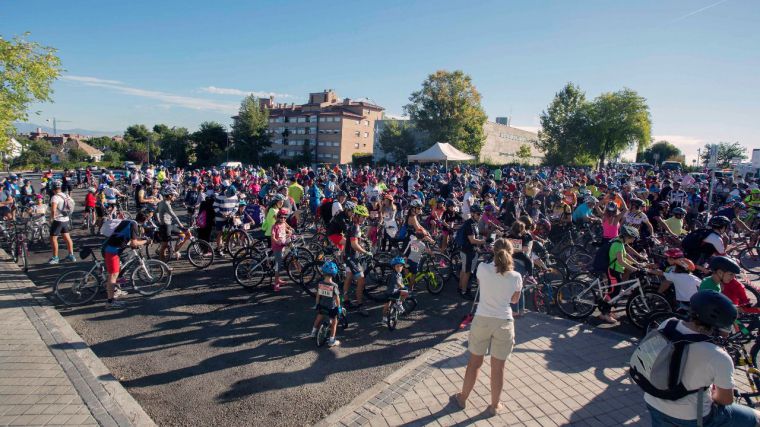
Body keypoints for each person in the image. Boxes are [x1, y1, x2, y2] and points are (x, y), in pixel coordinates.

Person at [644, 291, 760, 426]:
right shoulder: (718, 356)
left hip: (653, 401)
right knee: (756, 419)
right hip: (693, 416)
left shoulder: (668, 324)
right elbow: (725, 400)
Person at [454, 238, 522, 417]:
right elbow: (514, 300)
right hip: (504, 322)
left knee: (474, 363)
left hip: (482, 319)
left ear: (493, 251)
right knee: (498, 368)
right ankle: (494, 405)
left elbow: (481, 283)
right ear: (511, 253)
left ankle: (462, 398)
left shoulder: (482, 269)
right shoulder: (516, 276)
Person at [101, 210, 150, 309]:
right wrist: (146, 241)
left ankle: (116, 290)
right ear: (145, 220)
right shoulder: (134, 226)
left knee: (119, 270)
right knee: (113, 276)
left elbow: (127, 236)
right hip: (112, 251)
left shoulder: (129, 221)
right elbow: (134, 243)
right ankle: (110, 302)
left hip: (110, 247)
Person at [600, 225, 648, 324]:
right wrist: (634, 269)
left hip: (616, 270)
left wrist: (636, 263)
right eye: (633, 238)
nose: (633, 241)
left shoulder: (620, 242)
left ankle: (604, 311)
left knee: (612, 291)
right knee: (614, 293)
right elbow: (621, 261)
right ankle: (605, 314)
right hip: (613, 271)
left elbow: (625, 255)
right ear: (627, 236)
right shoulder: (618, 244)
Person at [343, 204, 371, 316]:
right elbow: (354, 244)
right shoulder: (356, 227)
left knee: (349, 278)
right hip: (352, 257)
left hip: (349, 256)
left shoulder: (353, 224)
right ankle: (360, 305)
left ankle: (345, 301)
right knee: (361, 280)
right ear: (357, 216)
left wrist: (362, 238)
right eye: (363, 217)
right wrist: (365, 252)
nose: (364, 219)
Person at [310, 261, 342, 347]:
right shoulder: (334, 285)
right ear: (334, 274)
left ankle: (313, 332)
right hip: (331, 308)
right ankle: (332, 340)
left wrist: (317, 304)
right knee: (334, 322)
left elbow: (318, 296)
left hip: (322, 305)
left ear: (323, 272)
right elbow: (337, 298)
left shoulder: (320, 283)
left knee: (319, 317)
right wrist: (339, 307)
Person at [458, 204, 486, 300]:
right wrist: (485, 241)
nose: (480, 216)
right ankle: (464, 291)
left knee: (464, 270)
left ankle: (461, 287)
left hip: (468, 250)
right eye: (478, 214)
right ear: (473, 213)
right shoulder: (470, 224)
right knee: (467, 272)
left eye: (480, 214)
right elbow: (472, 240)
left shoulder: (473, 222)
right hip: (467, 251)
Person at [156, 187, 188, 261]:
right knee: (164, 245)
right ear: (170, 196)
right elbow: (174, 216)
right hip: (165, 226)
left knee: (182, 235)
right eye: (174, 195)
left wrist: (159, 220)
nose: (175, 197)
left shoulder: (161, 202)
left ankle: (175, 250)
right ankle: (162, 263)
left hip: (169, 225)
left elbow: (155, 212)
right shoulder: (166, 204)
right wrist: (181, 225)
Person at [48, 181, 76, 264]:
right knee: (67, 237)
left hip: (58, 220)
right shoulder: (66, 195)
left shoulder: (55, 197)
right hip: (66, 219)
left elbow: (53, 209)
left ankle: (55, 258)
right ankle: (71, 255)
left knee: (53, 238)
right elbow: (73, 203)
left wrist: (52, 218)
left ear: (53, 188)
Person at [271, 208, 292, 292]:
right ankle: (276, 283)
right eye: (281, 217)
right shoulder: (275, 226)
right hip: (277, 248)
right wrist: (276, 241)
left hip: (282, 247)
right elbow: (272, 237)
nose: (283, 219)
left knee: (279, 263)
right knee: (277, 266)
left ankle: (278, 279)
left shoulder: (283, 224)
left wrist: (290, 231)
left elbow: (285, 229)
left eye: (285, 218)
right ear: (278, 217)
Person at [382, 256, 408, 324]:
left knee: (387, 305)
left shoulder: (399, 274)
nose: (399, 268)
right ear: (394, 267)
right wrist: (403, 287)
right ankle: (399, 304)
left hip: (389, 292)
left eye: (400, 266)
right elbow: (398, 283)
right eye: (397, 266)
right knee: (405, 293)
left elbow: (400, 282)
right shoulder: (394, 274)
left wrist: (402, 285)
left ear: (402, 267)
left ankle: (384, 319)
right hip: (393, 292)